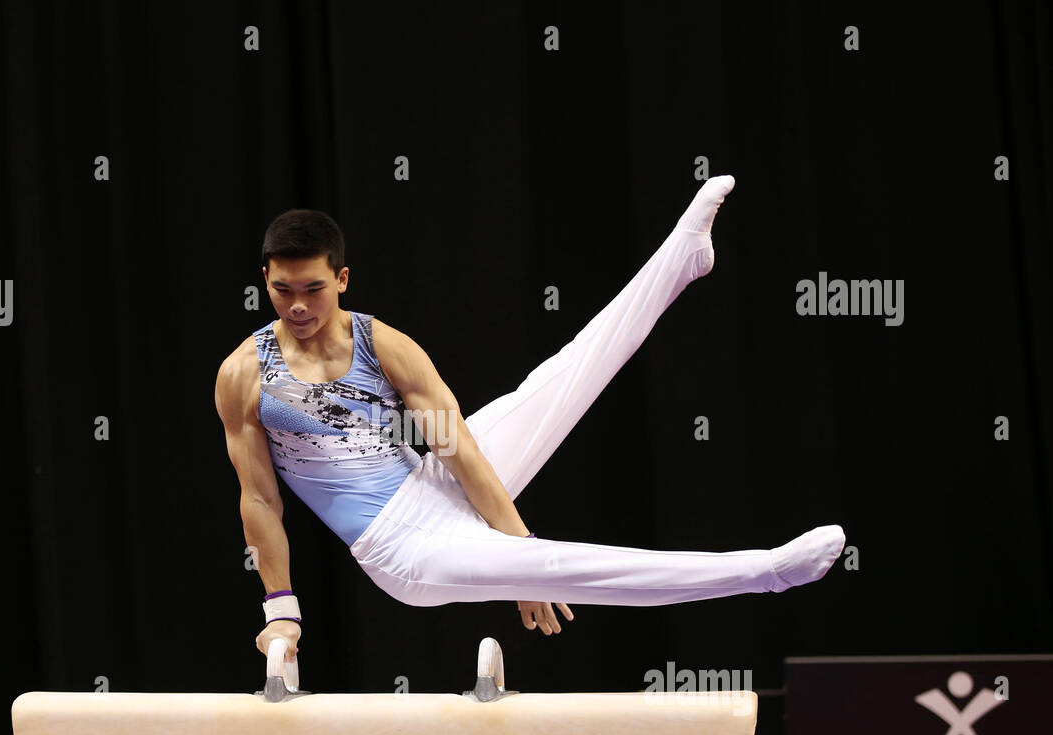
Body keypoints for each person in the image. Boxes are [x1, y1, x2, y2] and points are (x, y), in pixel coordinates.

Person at [215, 176, 845, 663]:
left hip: (434, 484)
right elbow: (261, 501)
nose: (298, 306)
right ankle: (766, 572)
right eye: (282, 290)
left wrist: (513, 550)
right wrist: (282, 609)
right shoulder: (245, 375)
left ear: (342, 279)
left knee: (556, 381)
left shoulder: (385, 346)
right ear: (265, 280)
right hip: (407, 551)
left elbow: (456, 450)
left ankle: (682, 256)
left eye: (313, 289)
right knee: (562, 564)